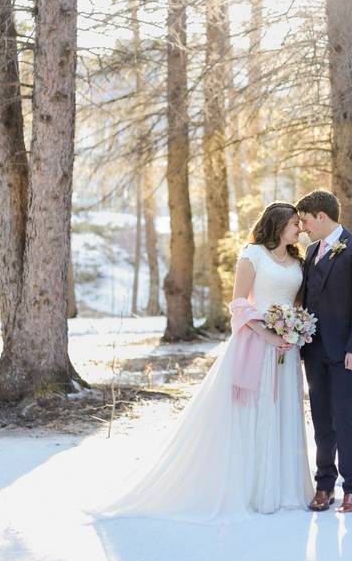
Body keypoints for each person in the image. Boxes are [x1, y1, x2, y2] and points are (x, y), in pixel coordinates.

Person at [95, 202, 314, 523]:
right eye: (295, 223)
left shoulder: (298, 259)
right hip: (255, 343)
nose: (300, 228)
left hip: (287, 347)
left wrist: (293, 328)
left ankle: (285, 490)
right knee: (254, 412)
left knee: (284, 411)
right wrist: (268, 334)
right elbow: (239, 304)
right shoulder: (251, 256)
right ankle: (255, 489)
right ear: (278, 224)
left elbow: (297, 299)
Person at [296, 190, 352, 514]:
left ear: (321, 217)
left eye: (304, 220)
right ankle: (324, 485)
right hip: (315, 351)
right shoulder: (312, 250)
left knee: (345, 418)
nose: (302, 227)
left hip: (347, 352)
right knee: (321, 420)